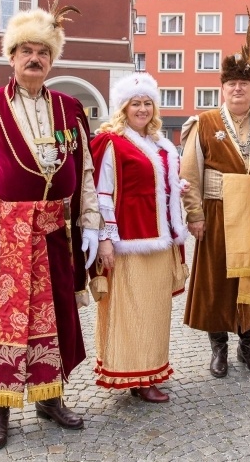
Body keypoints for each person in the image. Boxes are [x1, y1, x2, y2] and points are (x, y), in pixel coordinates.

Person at [0, 1, 101, 450]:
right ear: (11, 57)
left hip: (55, 235)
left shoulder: (70, 109)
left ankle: (50, 399)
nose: (34, 59)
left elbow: (85, 171)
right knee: (2, 323)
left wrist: (90, 223)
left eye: (43, 52)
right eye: (26, 51)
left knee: (56, 318)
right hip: (6, 236)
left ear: (52, 60)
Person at [180, 25, 250, 378]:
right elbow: (190, 173)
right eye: (231, 84)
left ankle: (248, 344)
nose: (237, 89)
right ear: (222, 89)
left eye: (243, 84)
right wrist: (194, 215)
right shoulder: (204, 123)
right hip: (217, 211)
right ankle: (219, 349)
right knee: (218, 284)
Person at [88, 72, 190, 403]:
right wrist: (105, 239)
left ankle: (149, 371)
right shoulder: (111, 143)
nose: (143, 109)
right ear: (123, 108)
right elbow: (101, 194)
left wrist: (176, 187)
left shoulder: (161, 144)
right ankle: (136, 376)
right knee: (133, 311)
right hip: (130, 243)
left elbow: (161, 185)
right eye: (136, 103)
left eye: (148, 103)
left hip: (160, 243)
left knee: (156, 313)